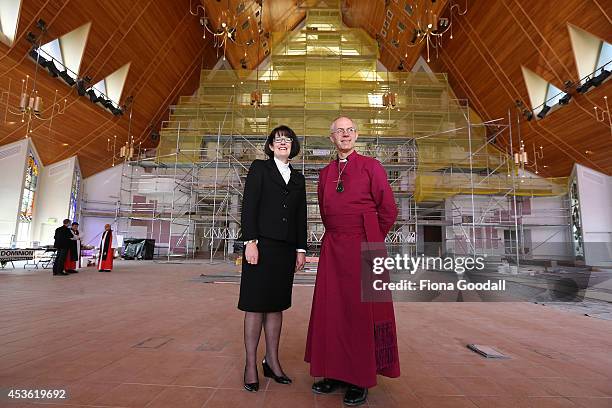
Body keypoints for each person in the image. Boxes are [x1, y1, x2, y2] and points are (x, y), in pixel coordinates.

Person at [304, 116, 400, 406]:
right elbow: (324, 210)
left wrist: (369, 237)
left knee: (361, 314)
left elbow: (389, 209)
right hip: (334, 247)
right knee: (332, 311)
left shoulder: (372, 167)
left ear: (356, 136)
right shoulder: (324, 173)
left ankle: (360, 378)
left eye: (350, 130)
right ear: (331, 137)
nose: (345, 135)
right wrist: (340, 235)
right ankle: (333, 372)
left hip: (365, 246)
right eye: (339, 131)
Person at [238, 125, 307, 392]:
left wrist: (301, 249)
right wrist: (250, 242)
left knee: (277, 306)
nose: (282, 142)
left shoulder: (299, 178)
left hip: (285, 250)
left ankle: (273, 362)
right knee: (255, 306)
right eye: (277, 139)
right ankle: (251, 365)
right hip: (261, 246)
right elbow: (249, 206)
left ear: (293, 146)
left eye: (287, 139)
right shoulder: (259, 168)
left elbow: (301, 216)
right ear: (269, 146)